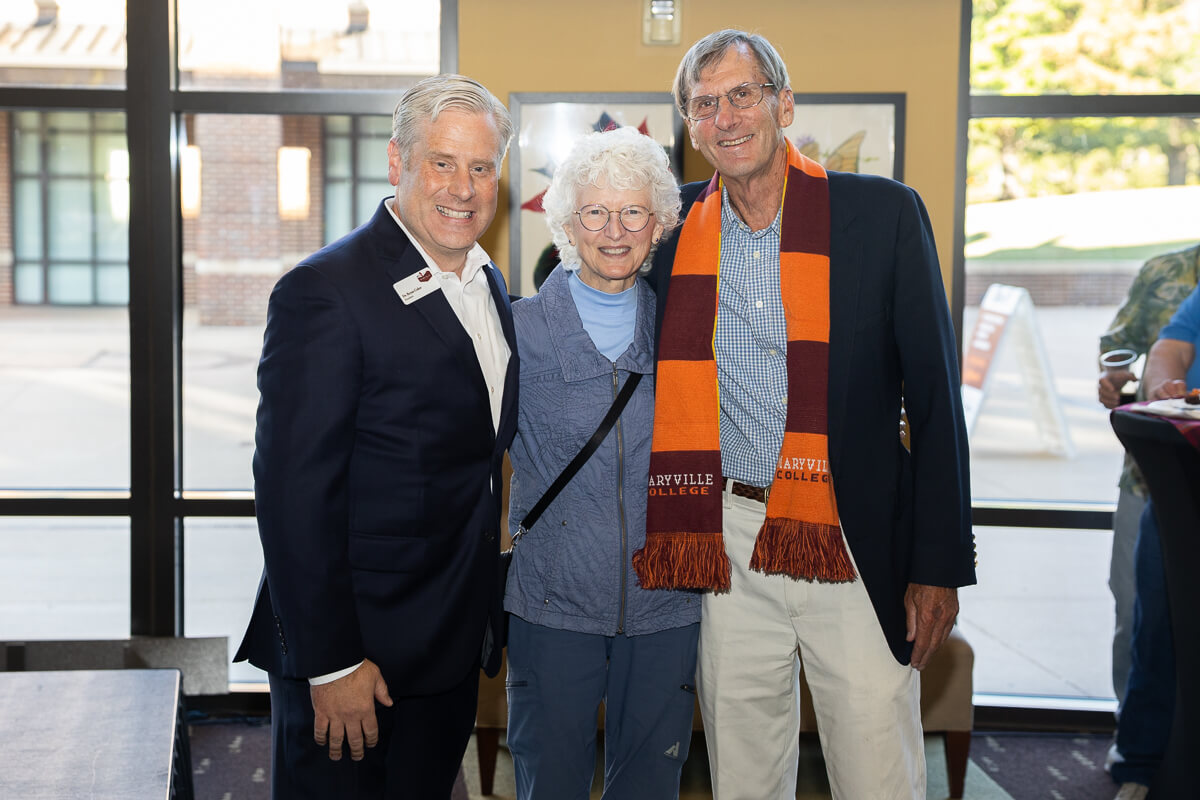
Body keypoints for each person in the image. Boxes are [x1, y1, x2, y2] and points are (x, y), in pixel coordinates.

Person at [633, 30, 976, 799]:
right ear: (691, 128)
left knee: (875, 767)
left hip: (847, 531)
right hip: (725, 538)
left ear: (783, 104)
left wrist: (938, 566)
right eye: (704, 104)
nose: (725, 117)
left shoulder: (882, 215)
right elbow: (583, 271)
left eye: (742, 95)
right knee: (742, 769)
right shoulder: (671, 231)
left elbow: (933, 398)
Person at [234, 74, 518, 799]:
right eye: (442, 163)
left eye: (481, 167)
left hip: (448, 649)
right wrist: (331, 664)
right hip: (357, 661)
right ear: (398, 164)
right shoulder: (326, 291)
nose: (464, 187)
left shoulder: (487, 284)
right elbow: (294, 493)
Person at [503, 126, 698, 800]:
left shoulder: (686, 333)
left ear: (659, 224)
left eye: (633, 212)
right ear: (566, 222)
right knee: (549, 783)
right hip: (550, 605)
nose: (614, 230)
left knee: (651, 785)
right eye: (595, 211)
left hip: (668, 605)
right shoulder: (515, 334)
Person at [1095, 244, 1198, 800]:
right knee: (1143, 618)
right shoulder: (1169, 273)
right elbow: (1140, 348)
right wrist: (1135, 384)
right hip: (1158, 479)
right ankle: (1137, 755)